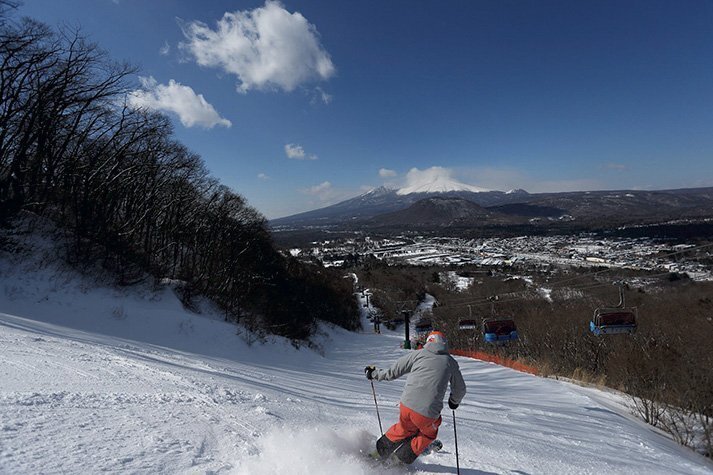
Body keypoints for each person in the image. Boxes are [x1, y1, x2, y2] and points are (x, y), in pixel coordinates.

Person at [364, 331, 466, 464]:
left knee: (403, 429)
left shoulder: (417, 354)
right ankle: (398, 460)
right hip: (427, 414)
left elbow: (392, 372)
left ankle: (377, 453)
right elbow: (460, 389)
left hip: (407, 406)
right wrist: (453, 402)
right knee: (428, 434)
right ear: (445, 344)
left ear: (428, 342)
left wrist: (373, 374)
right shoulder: (449, 362)